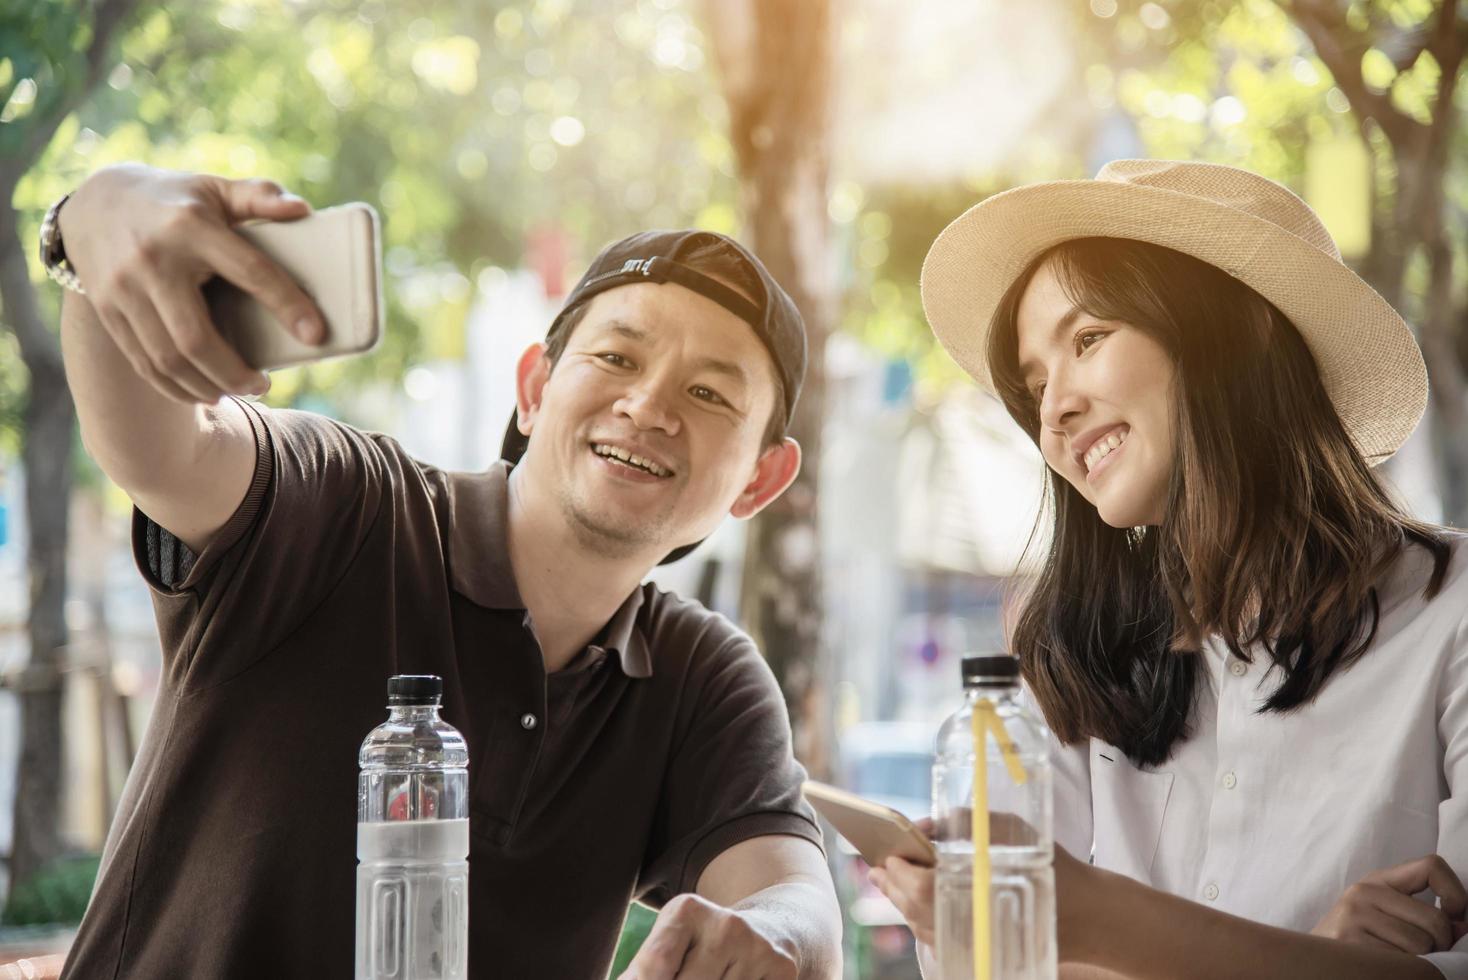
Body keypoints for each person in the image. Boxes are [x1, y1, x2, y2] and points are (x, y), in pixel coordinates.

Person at [43, 163, 842, 979]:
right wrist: (98, 223)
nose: (649, 408)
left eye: (710, 394)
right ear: (534, 389)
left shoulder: (699, 677)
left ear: (760, 480)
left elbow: (795, 899)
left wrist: (774, 932)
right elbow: (160, 448)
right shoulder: (346, 506)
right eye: (616, 358)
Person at [872, 159, 1468, 979]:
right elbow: (996, 964)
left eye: (1087, 340)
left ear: (1240, 332)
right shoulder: (1075, 664)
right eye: (1035, 383)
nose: (1053, 412)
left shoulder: (1453, 613)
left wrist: (1090, 924)